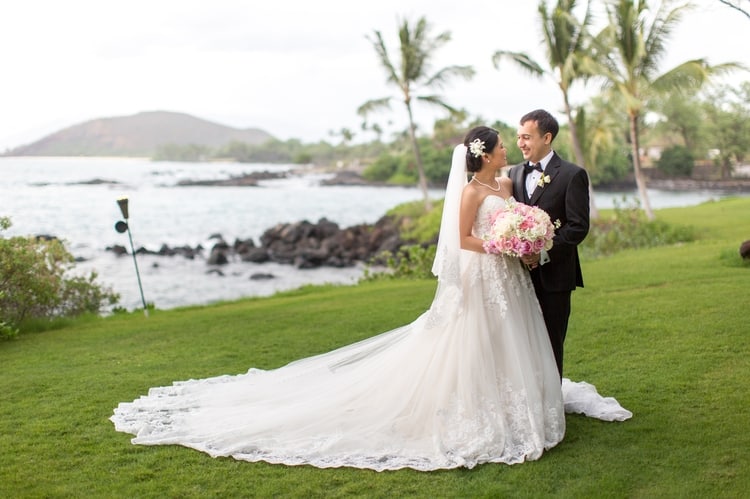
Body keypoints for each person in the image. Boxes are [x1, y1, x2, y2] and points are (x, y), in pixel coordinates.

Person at [111, 126, 629, 472]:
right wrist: (501, 243)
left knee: (510, 340)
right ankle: (471, 412)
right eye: (500, 144)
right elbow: (462, 240)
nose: (508, 149)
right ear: (483, 153)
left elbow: (528, 218)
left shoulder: (507, 184)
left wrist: (528, 235)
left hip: (509, 278)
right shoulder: (472, 190)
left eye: (513, 141)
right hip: (486, 272)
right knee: (472, 341)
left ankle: (521, 406)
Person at [509, 109, 590, 380]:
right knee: (522, 345)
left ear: (547, 137)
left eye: (527, 137)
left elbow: (578, 226)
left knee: (551, 345)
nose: (520, 143)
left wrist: (542, 253)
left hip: (555, 277)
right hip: (518, 278)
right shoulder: (515, 173)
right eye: (519, 137)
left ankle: (552, 408)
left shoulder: (572, 174)